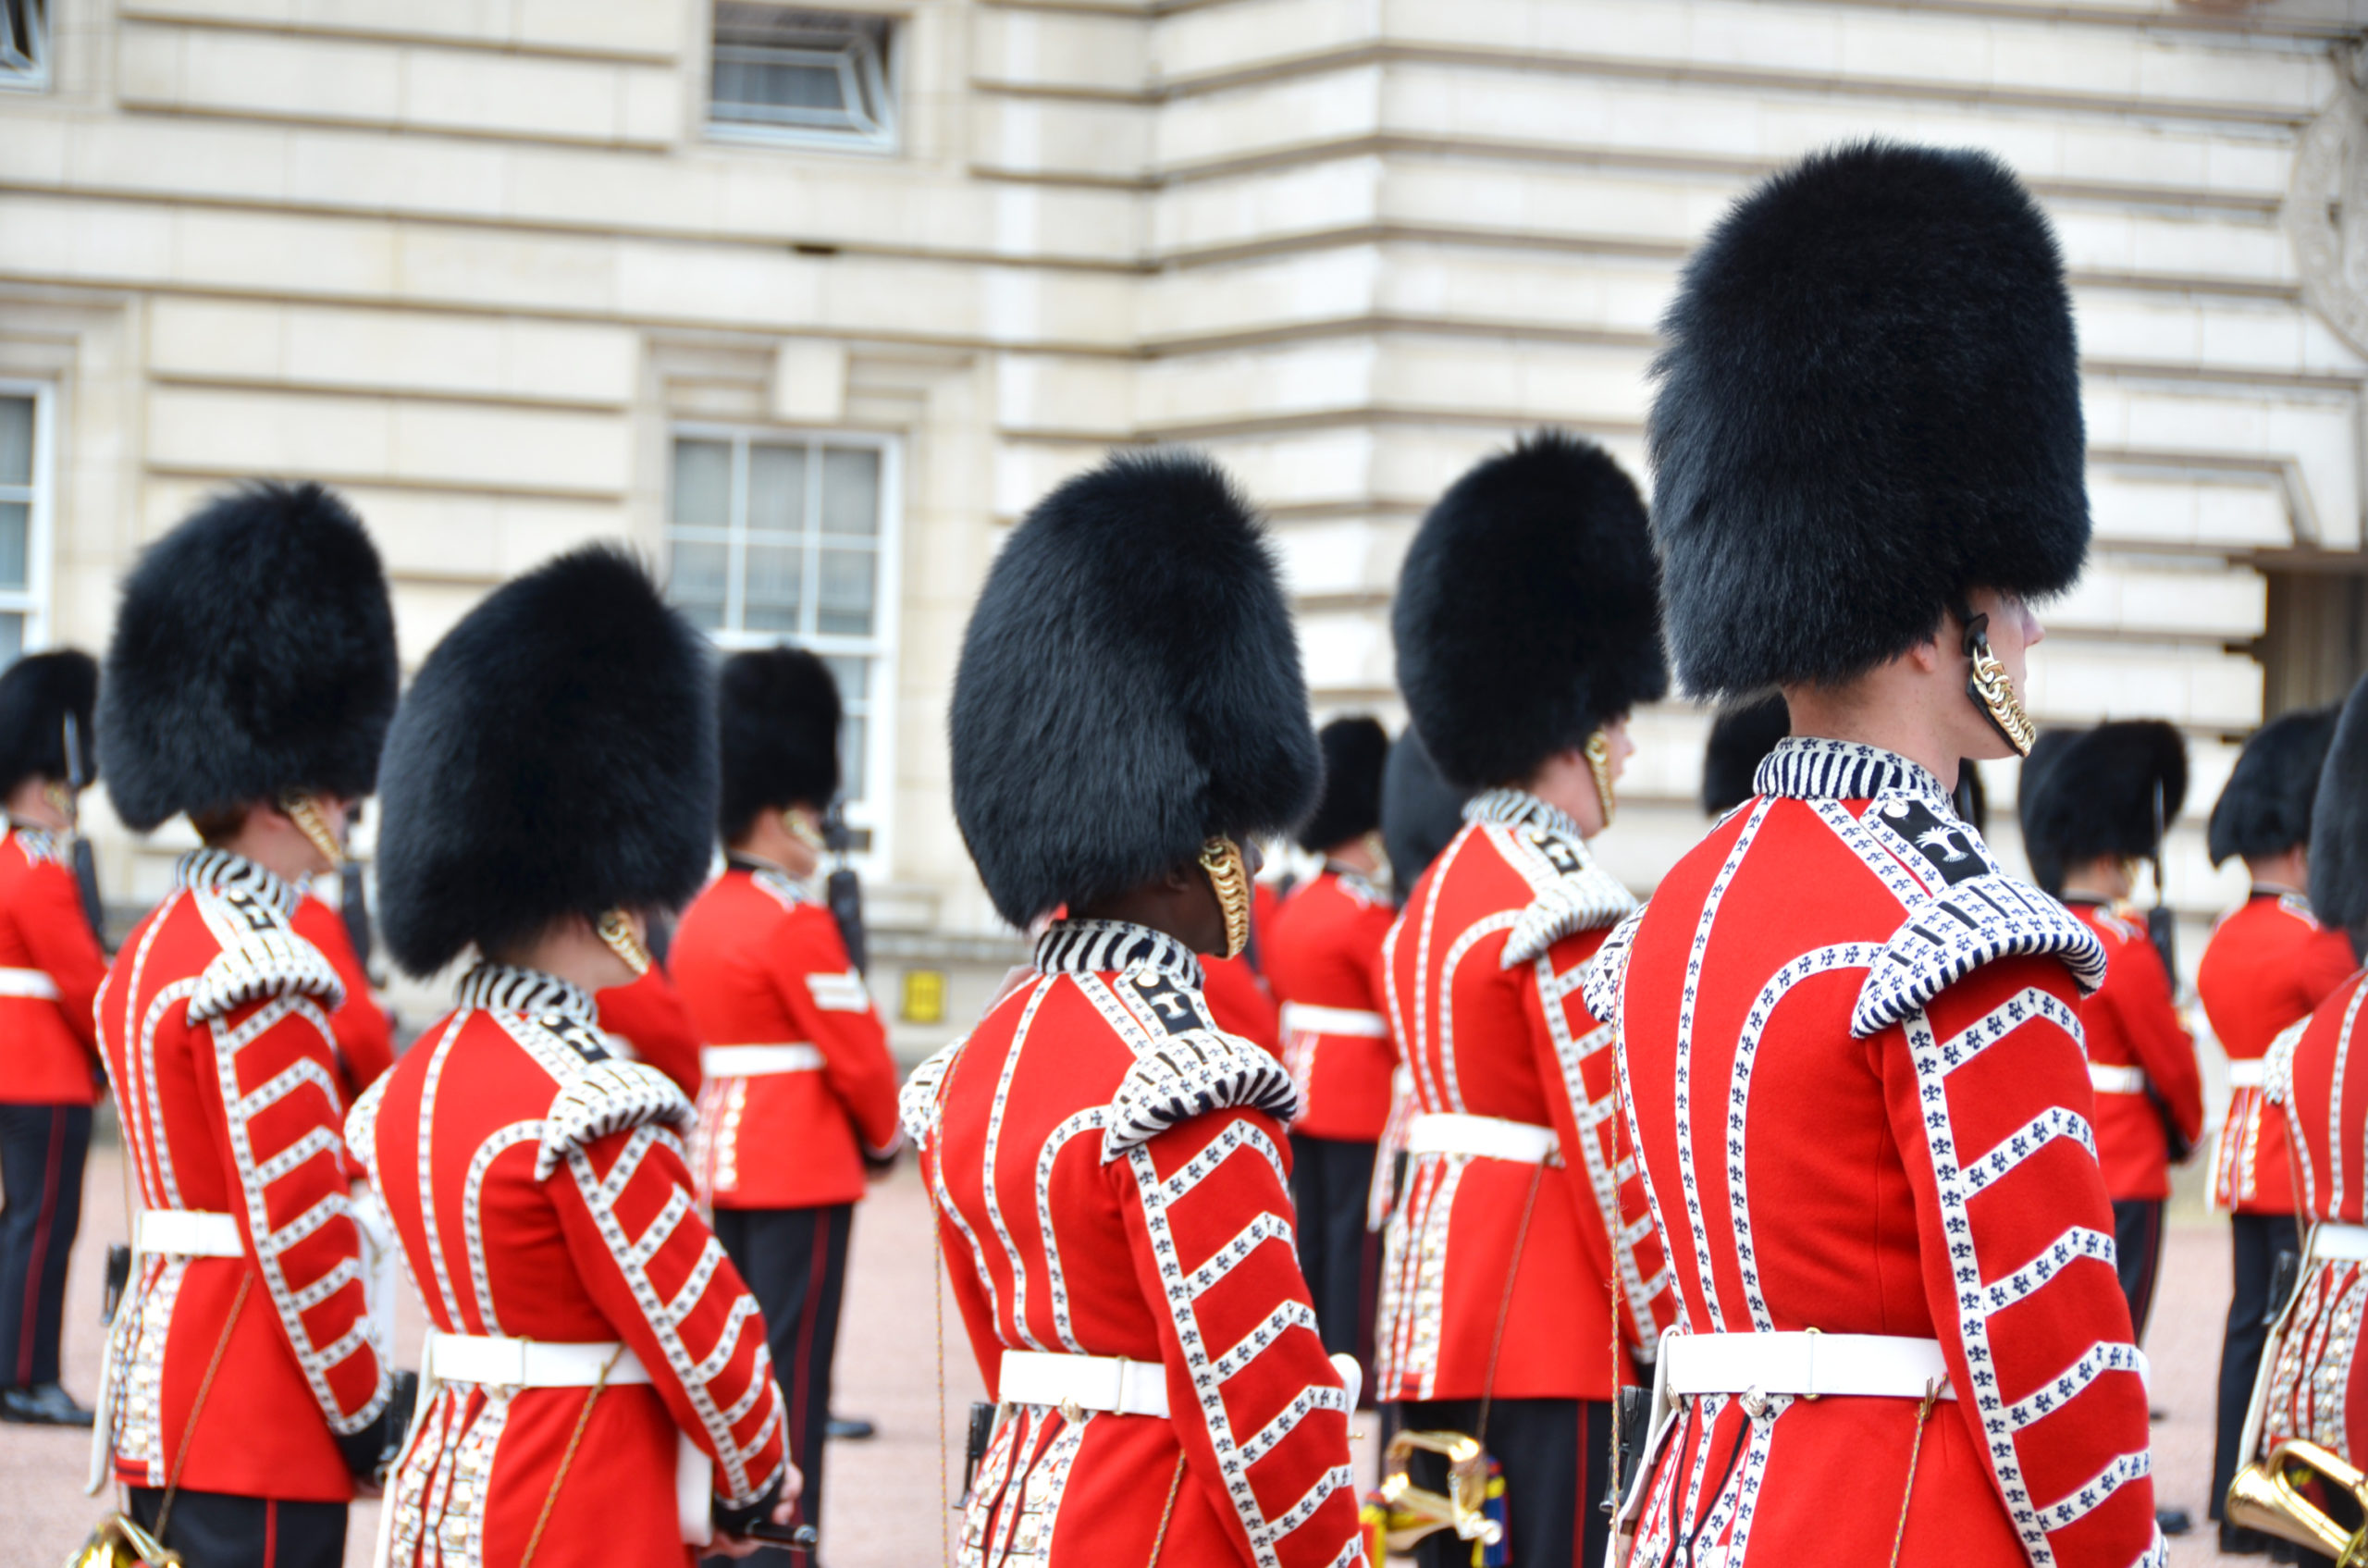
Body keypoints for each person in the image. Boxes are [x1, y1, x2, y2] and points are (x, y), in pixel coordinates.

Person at [1601, 142, 2162, 1564]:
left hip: (1696, 1516)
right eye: (2011, 596)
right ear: (1935, 619)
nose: (2030, 628)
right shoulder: (1963, 928)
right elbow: (2060, 1393)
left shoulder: (1679, 908)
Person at [905, 451, 1361, 1564]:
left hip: (1012, 1519)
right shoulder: (1186, 1075)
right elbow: (1263, 1416)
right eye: (1234, 838)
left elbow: (999, 1342)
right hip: (1157, 1527)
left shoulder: (979, 1062)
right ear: (1182, 854)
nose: (1247, 863)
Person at [351, 546, 797, 1564]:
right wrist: (755, 1482)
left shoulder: (411, 1085)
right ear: (612, 879)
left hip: (441, 1502)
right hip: (575, 1509)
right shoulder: (593, 1103)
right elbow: (705, 1340)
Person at [88, 483, 402, 1566]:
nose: (353, 808)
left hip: (168, 1381)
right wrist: (365, 1408)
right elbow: (298, 1226)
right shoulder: (262, 967)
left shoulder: (158, 944)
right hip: (256, 1394)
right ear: (289, 791)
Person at [1378, 429, 1675, 1568]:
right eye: (1618, 723)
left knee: (1429, 1557)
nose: (1629, 748)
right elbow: (1613, 1152)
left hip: (1429, 1312)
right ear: (1580, 720)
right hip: (1549, 1327)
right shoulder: (1562, 897)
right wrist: (1662, 1331)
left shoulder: (1443, 888)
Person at [672, 643, 899, 1561]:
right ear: (780, 809)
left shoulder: (700, 915)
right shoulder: (792, 923)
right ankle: (782, 1551)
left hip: (714, 1167)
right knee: (792, 1390)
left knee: (725, 1381)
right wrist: (883, 1139)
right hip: (798, 1167)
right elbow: (861, 1060)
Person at [2196, 707, 2358, 1550]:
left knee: (2244, 1320)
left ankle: (2233, 1493)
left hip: (2241, 1151)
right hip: (2300, 1154)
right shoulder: (2310, 943)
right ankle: (2275, 1503)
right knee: (2289, 1331)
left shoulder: (2225, 938)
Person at [2018, 721, 2204, 1340]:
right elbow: (2170, 1060)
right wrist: (2189, 1128)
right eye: (2127, 860)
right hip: (2123, 1163)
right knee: (2119, 1333)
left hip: (2048, 1158)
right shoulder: (2124, 947)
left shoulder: (2032, 939)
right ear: (2106, 856)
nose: (2131, 872)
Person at [1264, 714, 1394, 1390]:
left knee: (1308, 1228)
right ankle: (1346, 1357)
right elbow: (1398, 1007)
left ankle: (1308, 1349)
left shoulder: (1297, 903)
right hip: (1358, 1093)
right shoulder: (1364, 913)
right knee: (1351, 1237)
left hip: (1301, 1081)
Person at [0, 649, 106, 1426]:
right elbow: (82, 983)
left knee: (22, 1224)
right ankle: (24, 1376)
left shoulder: (11, 861)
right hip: (45, 1072)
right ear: (45, 784)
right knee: (41, 1230)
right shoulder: (41, 871)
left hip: (16, 1067)